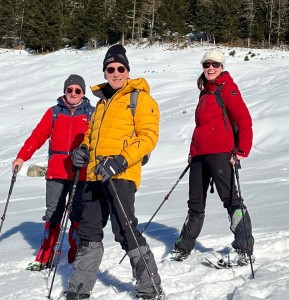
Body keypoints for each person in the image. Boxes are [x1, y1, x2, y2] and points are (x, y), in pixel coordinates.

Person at [67, 44, 163, 300]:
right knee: (88, 231)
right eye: (111, 68)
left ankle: (149, 286)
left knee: (124, 229)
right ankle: (79, 287)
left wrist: (120, 161)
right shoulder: (101, 103)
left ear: (128, 71)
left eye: (121, 68)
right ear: (105, 71)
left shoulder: (140, 98)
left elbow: (148, 137)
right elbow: (91, 136)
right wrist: (83, 151)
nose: (116, 73)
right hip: (95, 175)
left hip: (121, 175)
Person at [172, 49, 255, 266]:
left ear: (222, 67)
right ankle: (184, 246)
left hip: (221, 154)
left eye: (215, 65)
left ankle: (244, 247)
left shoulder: (228, 89)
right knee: (195, 203)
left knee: (232, 201)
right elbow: (200, 127)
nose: (210, 68)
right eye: (207, 64)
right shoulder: (205, 92)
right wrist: (193, 151)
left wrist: (241, 151)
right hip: (200, 156)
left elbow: (244, 119)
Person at [12, 74, 94, 271]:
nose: (73, 93)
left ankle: (75, 253)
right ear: (65, 91)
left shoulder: (92, 113)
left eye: (78, 90)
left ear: (83, 93)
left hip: (80, 173)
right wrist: (22, 157)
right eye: (69, 90)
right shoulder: (54, 112)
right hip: (56, 172)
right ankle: (45, 256)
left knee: (77, 214)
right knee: (53, 214)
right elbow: (38, 136)